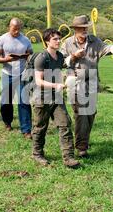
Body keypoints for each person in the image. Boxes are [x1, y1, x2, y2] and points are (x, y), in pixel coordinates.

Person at [61, 15, 113, 158]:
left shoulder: (94, 41)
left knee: (90, 113)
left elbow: (106, 48)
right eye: (81, 28)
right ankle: (81, 147)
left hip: (91, 80)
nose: (84, 30)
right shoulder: (67, 43)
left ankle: (83, 140)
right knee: (80, 114)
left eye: (86, 28)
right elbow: (61, 61)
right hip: (74, 80)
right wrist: (73, 56)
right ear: (76, 29)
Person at [31, 28, 80, 168]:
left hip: (56, 97)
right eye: (55, 39)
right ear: (47, 41)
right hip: (41, 98)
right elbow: (38, 81)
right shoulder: (42, 58)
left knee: (65, 124)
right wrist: (55, 85)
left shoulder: (59, 57)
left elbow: (65, 68)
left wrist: (70, 77)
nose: (59, 41)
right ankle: (37, 154)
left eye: (59, 39)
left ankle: (68, 158)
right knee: (40, 127)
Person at [0, 18, 33, 139]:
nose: (16, 31)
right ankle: (7, 121)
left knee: (24, 100)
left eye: (19, 29)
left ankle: (26, 130)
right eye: (14, 29)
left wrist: (27, 56)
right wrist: (6, 59)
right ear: (9, 26)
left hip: (22, 73)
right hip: (7, 73)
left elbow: (30, 53)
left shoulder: (25, 40)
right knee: (6, 101)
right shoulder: (2, 39)